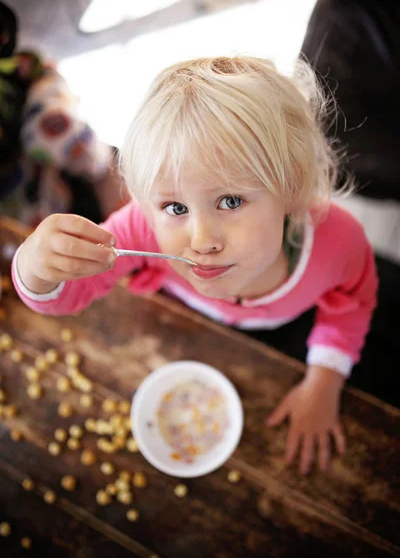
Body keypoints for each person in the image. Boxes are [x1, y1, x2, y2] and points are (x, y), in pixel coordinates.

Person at [12, 56, 378, 475]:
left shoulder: (340, 244)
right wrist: (36, 265)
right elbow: (64, 298)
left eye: (231, 201)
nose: (202, 241)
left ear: (291, 187)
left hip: (286, 336)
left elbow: (352, 303)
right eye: (175, 206)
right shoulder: (141, 228)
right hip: (178, 324)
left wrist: (326, 379)